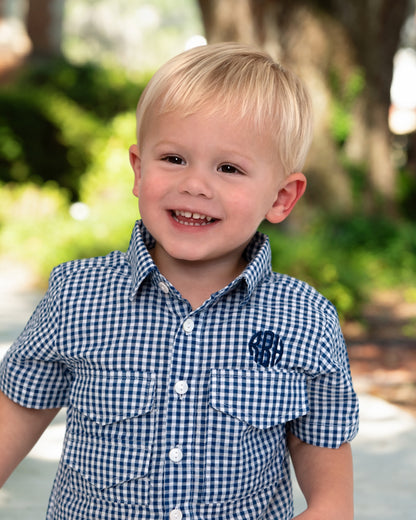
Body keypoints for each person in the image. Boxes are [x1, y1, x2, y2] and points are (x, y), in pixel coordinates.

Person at [0, 42, 359, 520]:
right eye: (173, 159)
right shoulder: (77, 296)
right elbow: (19, 409)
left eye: (228, 168)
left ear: (281, 197)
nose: (195, 185)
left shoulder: (304, 319)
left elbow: (327, 468)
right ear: (139, 168)